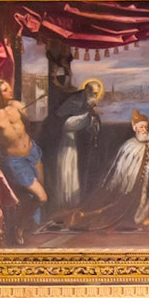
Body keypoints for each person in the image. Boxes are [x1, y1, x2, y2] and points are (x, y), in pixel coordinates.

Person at [56, 110, 149, 231]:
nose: (144, 129)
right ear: (135, 128)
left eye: (146, 127)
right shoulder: (129, 148)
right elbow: (128, 175)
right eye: (141, 127)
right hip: (134, 197)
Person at [0, 79, 46, 244]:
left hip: (33, 152)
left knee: (37, 194)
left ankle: (28, 224)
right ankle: (19, 227)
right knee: (41, 197)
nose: (10, 91)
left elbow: (27, 125)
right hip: (14, 161)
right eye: (5, 90)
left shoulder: (17, 106)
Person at [50, 79, 102, 210]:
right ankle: (68, 205)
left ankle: (81, 204)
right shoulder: (74, 102)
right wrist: (87, 116)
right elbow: (66, 124)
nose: (95, 96)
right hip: (69, 144)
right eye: (93, 93)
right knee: (69, 175)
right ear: (86, 90)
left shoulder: (90, 103)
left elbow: (94, 126)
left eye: (97, 94)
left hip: (83, 145)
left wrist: (93, 120)